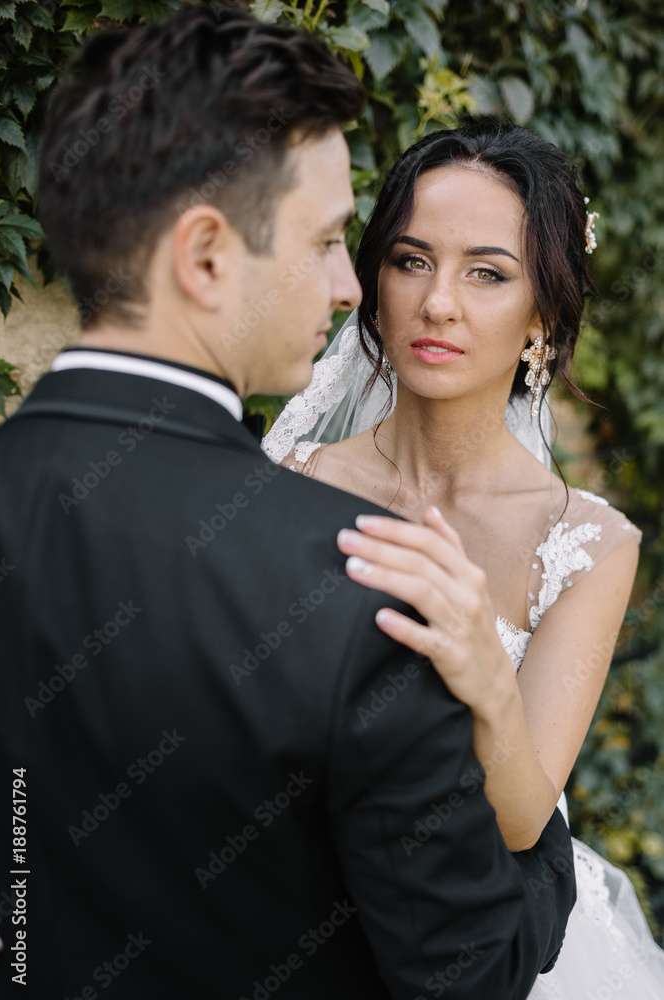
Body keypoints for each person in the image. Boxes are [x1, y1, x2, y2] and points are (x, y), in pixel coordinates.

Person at [0, 9, 575, 999]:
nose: (347, 287)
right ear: (207, 254)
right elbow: (467, 973)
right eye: (322, 241)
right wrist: (547, 856)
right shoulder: (365, 588)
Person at [264, 119, 664, 997]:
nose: (437, 301)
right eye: (410, 260)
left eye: (487, 273)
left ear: (544, 313)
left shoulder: (588, 544)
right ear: (372, 281)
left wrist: (482, 674)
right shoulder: (285, 480)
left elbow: (522, 820)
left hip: (467, 934)